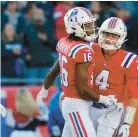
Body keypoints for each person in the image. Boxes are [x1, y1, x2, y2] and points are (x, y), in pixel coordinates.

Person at [36, 7, 118, 137]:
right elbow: (82, 88)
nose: (92, 28)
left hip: (73, 102)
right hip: (77, 104)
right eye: (87, 25)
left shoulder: (65, 42)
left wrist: (44, 89)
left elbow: (53, 72)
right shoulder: (82, 51)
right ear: (75, 27)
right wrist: (104, 99)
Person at [89, 17, 138, 137]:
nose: (108, 39)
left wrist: (127, 122)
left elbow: (133, 95)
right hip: (89, 105)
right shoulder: (90, 48)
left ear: (121, 38)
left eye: (113, 36)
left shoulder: (129, 60)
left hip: (112, 111)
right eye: (106, 34)